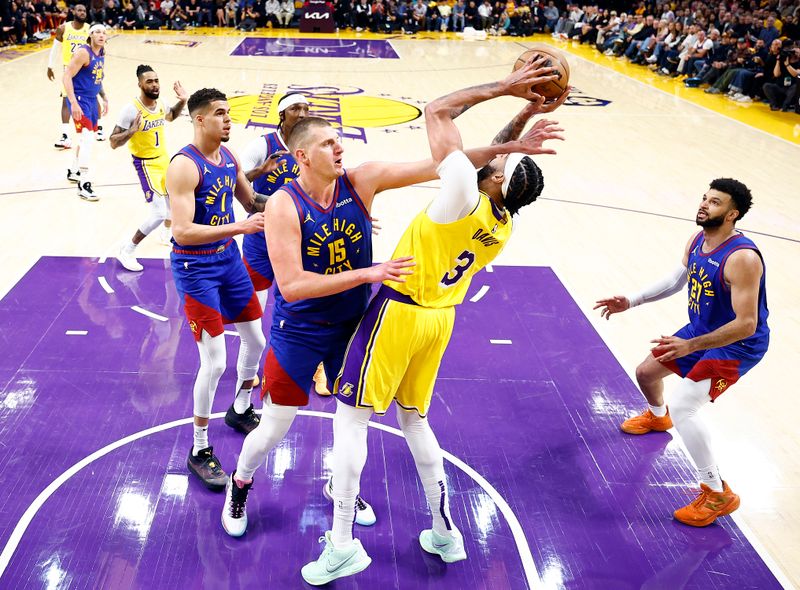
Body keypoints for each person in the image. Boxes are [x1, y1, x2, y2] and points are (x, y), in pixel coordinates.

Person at [220, 60, 565, 547]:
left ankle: (343, 494)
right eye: (327, 143)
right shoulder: (282, 204)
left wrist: (510, 145)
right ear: (301, 155)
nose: (339, 147)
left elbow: (444, 164)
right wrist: (371, 272)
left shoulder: (362, 180)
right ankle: (241, 484)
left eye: (340, 140)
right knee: (274, 427)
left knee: (351, 422)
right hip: (300, 330)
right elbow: (292, 287)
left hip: (355, 325)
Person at [594, 178, 769, 527]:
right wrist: (632, 300)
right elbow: (680, 277)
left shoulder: (743, 258)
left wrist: (690, 345)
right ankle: (658, 417)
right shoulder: (697, 240)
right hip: (702, 332)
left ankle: (716, 491)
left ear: (732, 214)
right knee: (646, 373)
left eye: (715, 202)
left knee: (686, 406)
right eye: (704, 198)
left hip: (737, 344)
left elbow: (746, 324)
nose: (704, 205)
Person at [166, 88, 268, 491]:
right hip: (196, 268)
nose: (228, 120)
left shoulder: (229, 158)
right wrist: (241, 228)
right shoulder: (183, 166)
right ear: (199, 120)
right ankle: (199, 448)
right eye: (220, 114)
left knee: (256, 340)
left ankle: (240, 409)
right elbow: (183, 231)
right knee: (214, 362)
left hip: (227, 259)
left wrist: (303, 203)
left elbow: (253, 200)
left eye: (229, 113)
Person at [239, 93, 329, 394]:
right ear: (282, 114)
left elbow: (330, 187)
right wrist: (258, 173)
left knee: (309, 304)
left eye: (306, 108)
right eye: (295, 108)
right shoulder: (262, 146)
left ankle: (318, 369)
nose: (302, 113)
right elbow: (236, 183)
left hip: (303, 238)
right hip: (261, 238)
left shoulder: (316, 146)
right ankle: (249, 372)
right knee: (253, 310)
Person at [110, 65, 189, 272]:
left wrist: (182, 101)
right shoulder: (131, 109)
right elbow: (112, 142)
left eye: (156, 81)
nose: (154, 85)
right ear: (140, 84)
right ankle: (127, 249)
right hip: (146, 163)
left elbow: (170, 116)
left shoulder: (161, 102)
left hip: (163, 159)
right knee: (159, 212)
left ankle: (165, 234)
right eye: (149, 82)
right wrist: (132, 131)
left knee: (174, 204)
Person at [62, 22, 109, 202]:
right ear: (90, 35)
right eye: (97, 32)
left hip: (91, 100)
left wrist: (104, 97)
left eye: (104, 33)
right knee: (88, 139)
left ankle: (74, 170)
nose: (101, 35)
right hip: (79, 100)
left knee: (85, 139)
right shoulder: (83, 52)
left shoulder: (102, 53)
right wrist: (73, 103)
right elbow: (66, 76)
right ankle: (84, 182)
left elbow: (98, 77)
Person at [47, 3, 87, 150]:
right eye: (79, 10)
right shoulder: (64, 28)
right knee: (66, 100)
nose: (82, 12)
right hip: (68, 70)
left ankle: (94, 128)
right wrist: (50, 66)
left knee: (89, 97)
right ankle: (65, 135)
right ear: (73, 12)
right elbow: (55, 48)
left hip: (84, 69)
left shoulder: (89, 30)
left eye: (84, 10)